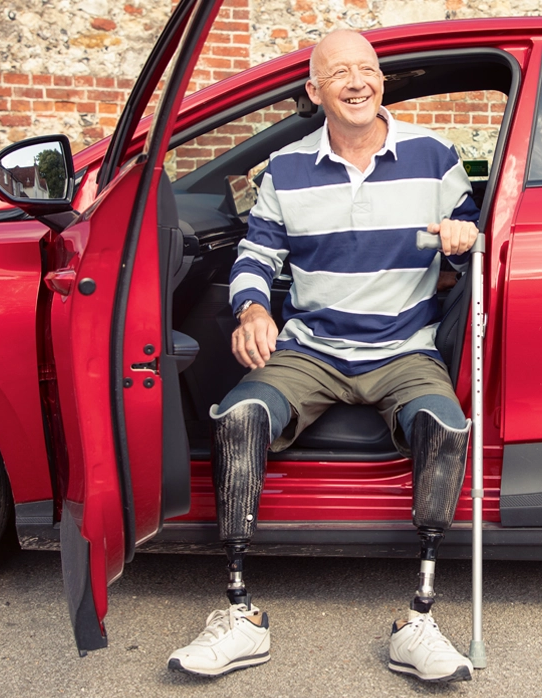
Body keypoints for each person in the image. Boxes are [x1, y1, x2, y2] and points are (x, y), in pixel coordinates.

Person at [167, 29, 481, 683]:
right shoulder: (285, 168)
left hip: (404, 349)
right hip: (311, 350)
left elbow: (476, 227)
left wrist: (462, 233)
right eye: (341, 72)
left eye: (367, 69)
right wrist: (253, 308)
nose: (359, 81)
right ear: (316, 91)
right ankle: (238, 614)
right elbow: (255, 254)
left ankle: (418, 619)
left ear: (381, 81)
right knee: (237, 417)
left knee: (446, 429)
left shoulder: (434, 156)